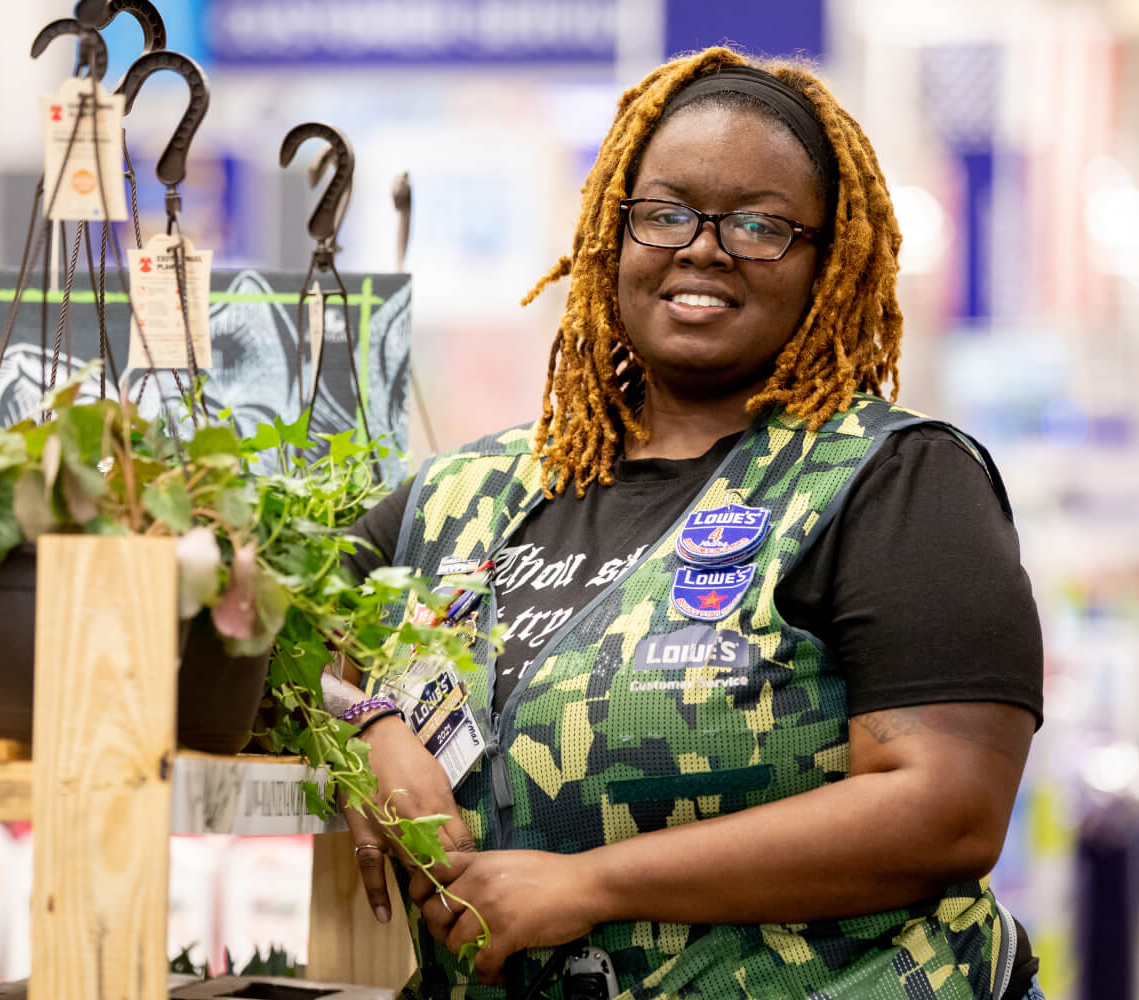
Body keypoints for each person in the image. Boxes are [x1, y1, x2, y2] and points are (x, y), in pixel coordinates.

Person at [325, 46, 1045, 1000]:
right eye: (665, 214)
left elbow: (947, 809)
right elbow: (281, 626)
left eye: (759, 225)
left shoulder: (894, 482)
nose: (702, 248)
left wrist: (590, 886)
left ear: (829, 261)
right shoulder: (469, 494)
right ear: (609, 237)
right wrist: (367, 725)